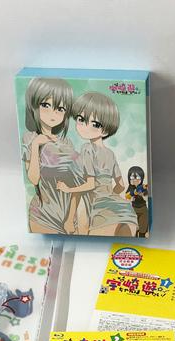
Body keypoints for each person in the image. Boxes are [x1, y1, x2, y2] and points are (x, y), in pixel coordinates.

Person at [57, 92, 138, 237]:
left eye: (95, 124)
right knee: (122, 245)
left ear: (105, 130)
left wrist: (68, 189)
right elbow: (120, 186)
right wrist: (110, 196)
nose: (84, 126)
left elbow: (90, 184)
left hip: (101, 210)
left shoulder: (87, 149)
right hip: (125, 210)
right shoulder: (110, 154)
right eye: (81, 119)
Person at [21, 77, 83, 234]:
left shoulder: (67, 143)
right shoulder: (29, 138)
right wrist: (36, 145)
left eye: (60, 109)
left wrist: (70, 217)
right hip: (41, 213)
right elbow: (33, 179)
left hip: (67, 213)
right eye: (45, 105)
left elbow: (77, 184)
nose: (52, 113)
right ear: (34, 105)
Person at [125, 165, 149, 237]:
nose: (135, 180)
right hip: (133, 209)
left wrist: (142, 194)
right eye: (132, 178)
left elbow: (147, 196)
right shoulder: (130, 188)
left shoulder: (143, 187)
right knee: (134, 230)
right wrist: (132, 195)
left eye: (138, 177)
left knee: (143, 229)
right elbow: (127, 196)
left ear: (142, 178)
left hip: (143, 209)